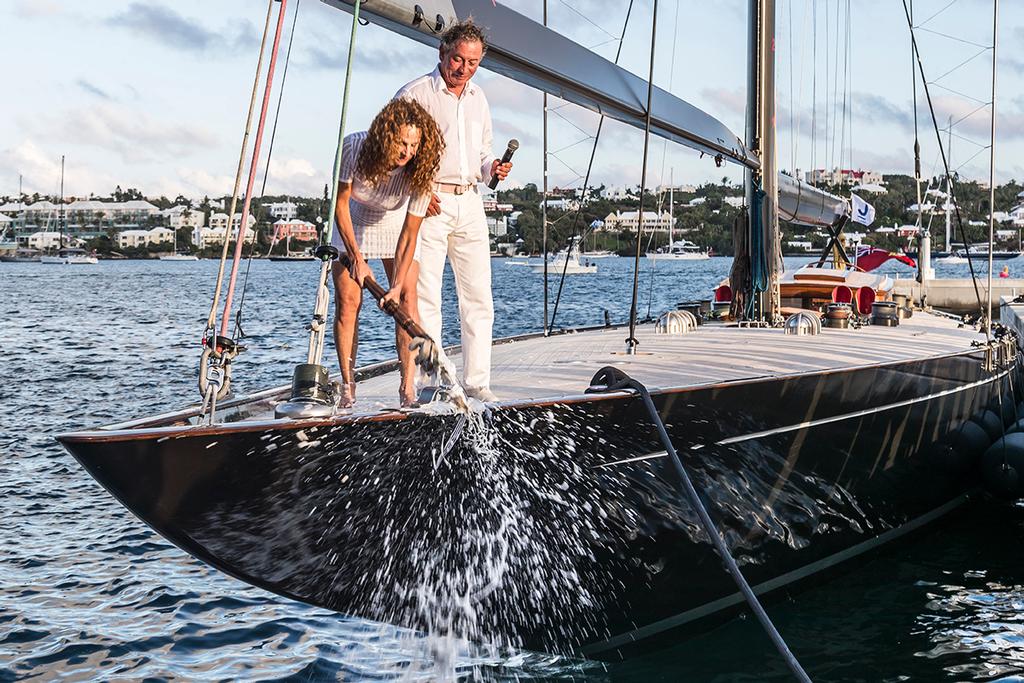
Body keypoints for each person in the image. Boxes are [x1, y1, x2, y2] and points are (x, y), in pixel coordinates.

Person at [396, 19, 512, 402]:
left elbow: (481, 153)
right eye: (458, 59)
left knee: (479, 296)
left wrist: (492, 168)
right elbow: (392, 147)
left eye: (472, 62)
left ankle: (477, 381)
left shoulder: (479, 98)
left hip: (471, 200)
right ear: (442, 53)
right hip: (428, 202)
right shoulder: (414, 94)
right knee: (425, 297)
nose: (463, 68)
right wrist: (415, 187)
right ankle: (434, 383)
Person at [331, 98, 445, 408]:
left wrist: (394, 286)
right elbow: (340, 204)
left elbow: (410, 233)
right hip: (353, 217)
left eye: (414, 144)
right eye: (402, 142)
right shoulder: (354, 147)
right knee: (348, 302)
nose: (408, 151)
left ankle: (407, 388)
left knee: (407, 299)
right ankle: (348, 385)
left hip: (395, 222)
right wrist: (355, 257)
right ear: (385, 136)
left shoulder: (422, 169)